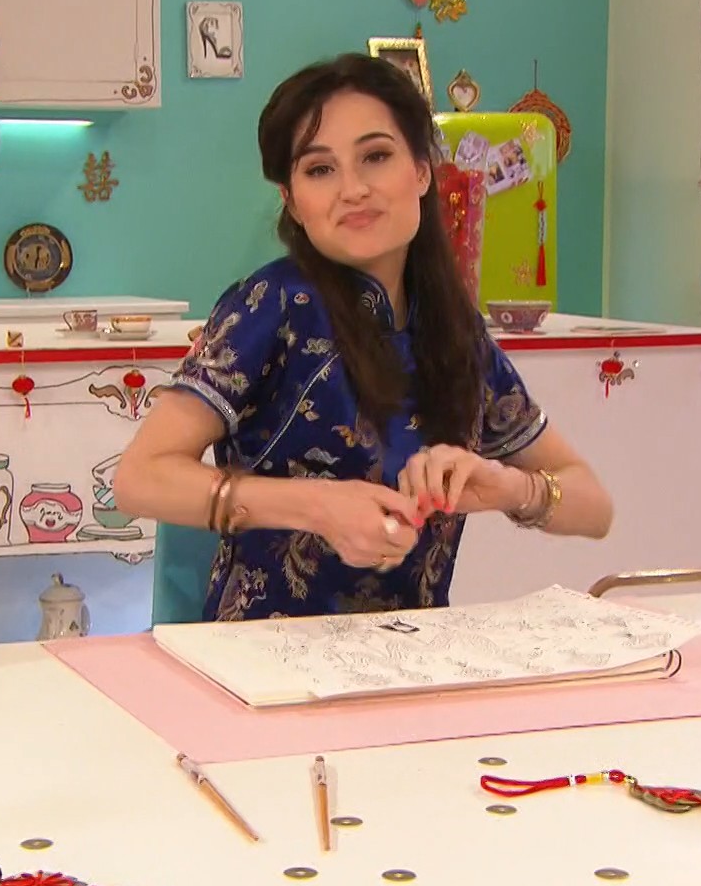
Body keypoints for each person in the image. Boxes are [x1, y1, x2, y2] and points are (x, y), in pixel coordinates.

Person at [113, 53, 613, 622]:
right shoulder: (272, 305)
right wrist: (318, 507)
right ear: (292, 201)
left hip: (415, 649)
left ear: (421, 171)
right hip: (263, 654)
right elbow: (138, 478)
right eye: (319, 169)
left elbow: (593, 506)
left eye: (375, 156)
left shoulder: (454, 329)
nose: (352, 189)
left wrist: (506, 486)